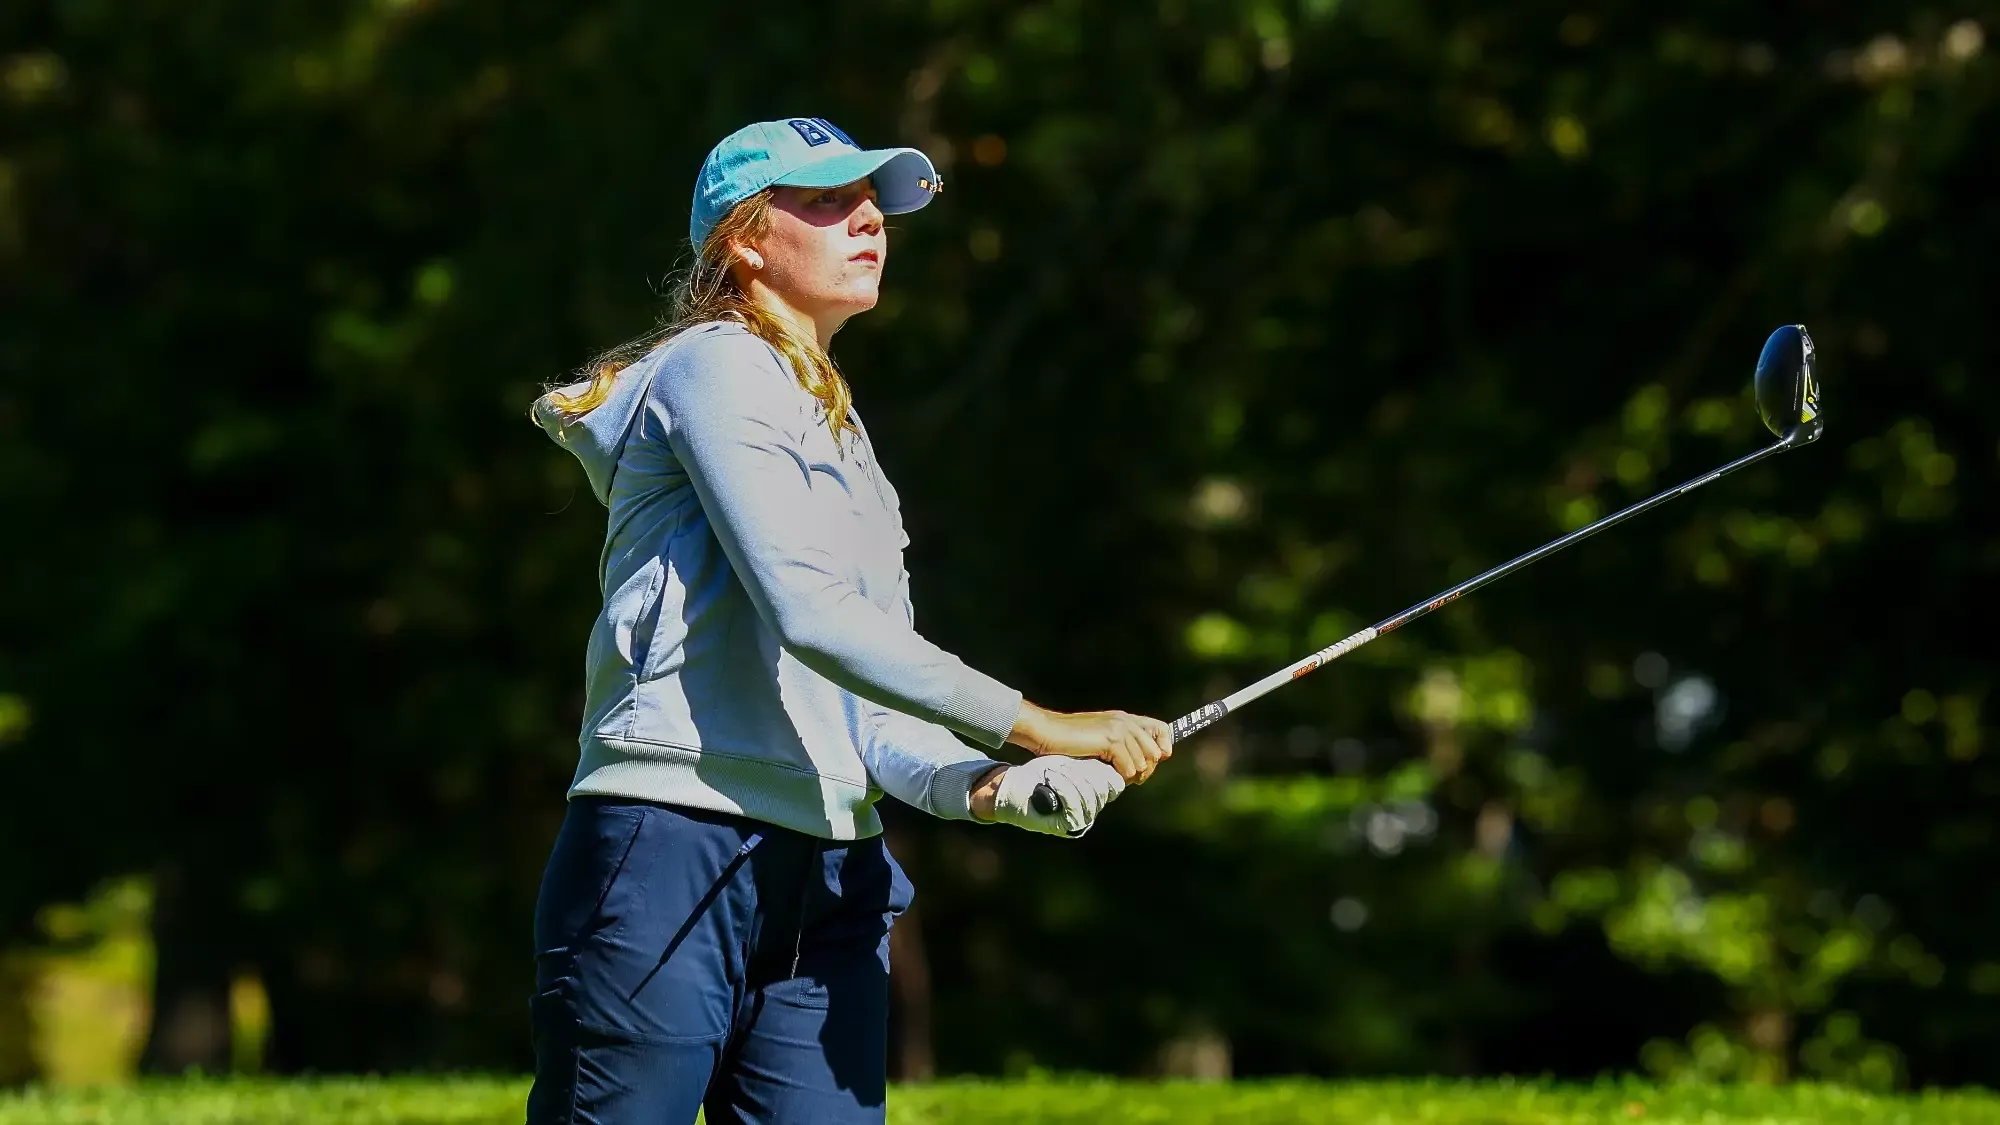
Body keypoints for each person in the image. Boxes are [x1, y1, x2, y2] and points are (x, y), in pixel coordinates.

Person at [525, 117, 1174, 1125]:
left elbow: (869, 717)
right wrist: (1042, 723)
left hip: (831, 868)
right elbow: (811, 617)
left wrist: (995, 787)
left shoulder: (841, 425)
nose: (866, 217)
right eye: (826, 200)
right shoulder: (715, 366)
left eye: (871, 201)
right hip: (668, 843)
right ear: (744, 239)